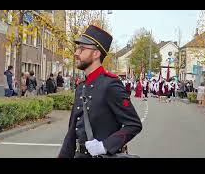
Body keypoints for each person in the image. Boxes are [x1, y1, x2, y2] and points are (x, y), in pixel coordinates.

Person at [58, 25, 142, 158]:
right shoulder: (81, 86)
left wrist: (105, 146)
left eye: (82, 49)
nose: (76, 53)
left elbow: (134, 124)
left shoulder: (111, 85)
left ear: (96, 53)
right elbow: (72, 131)